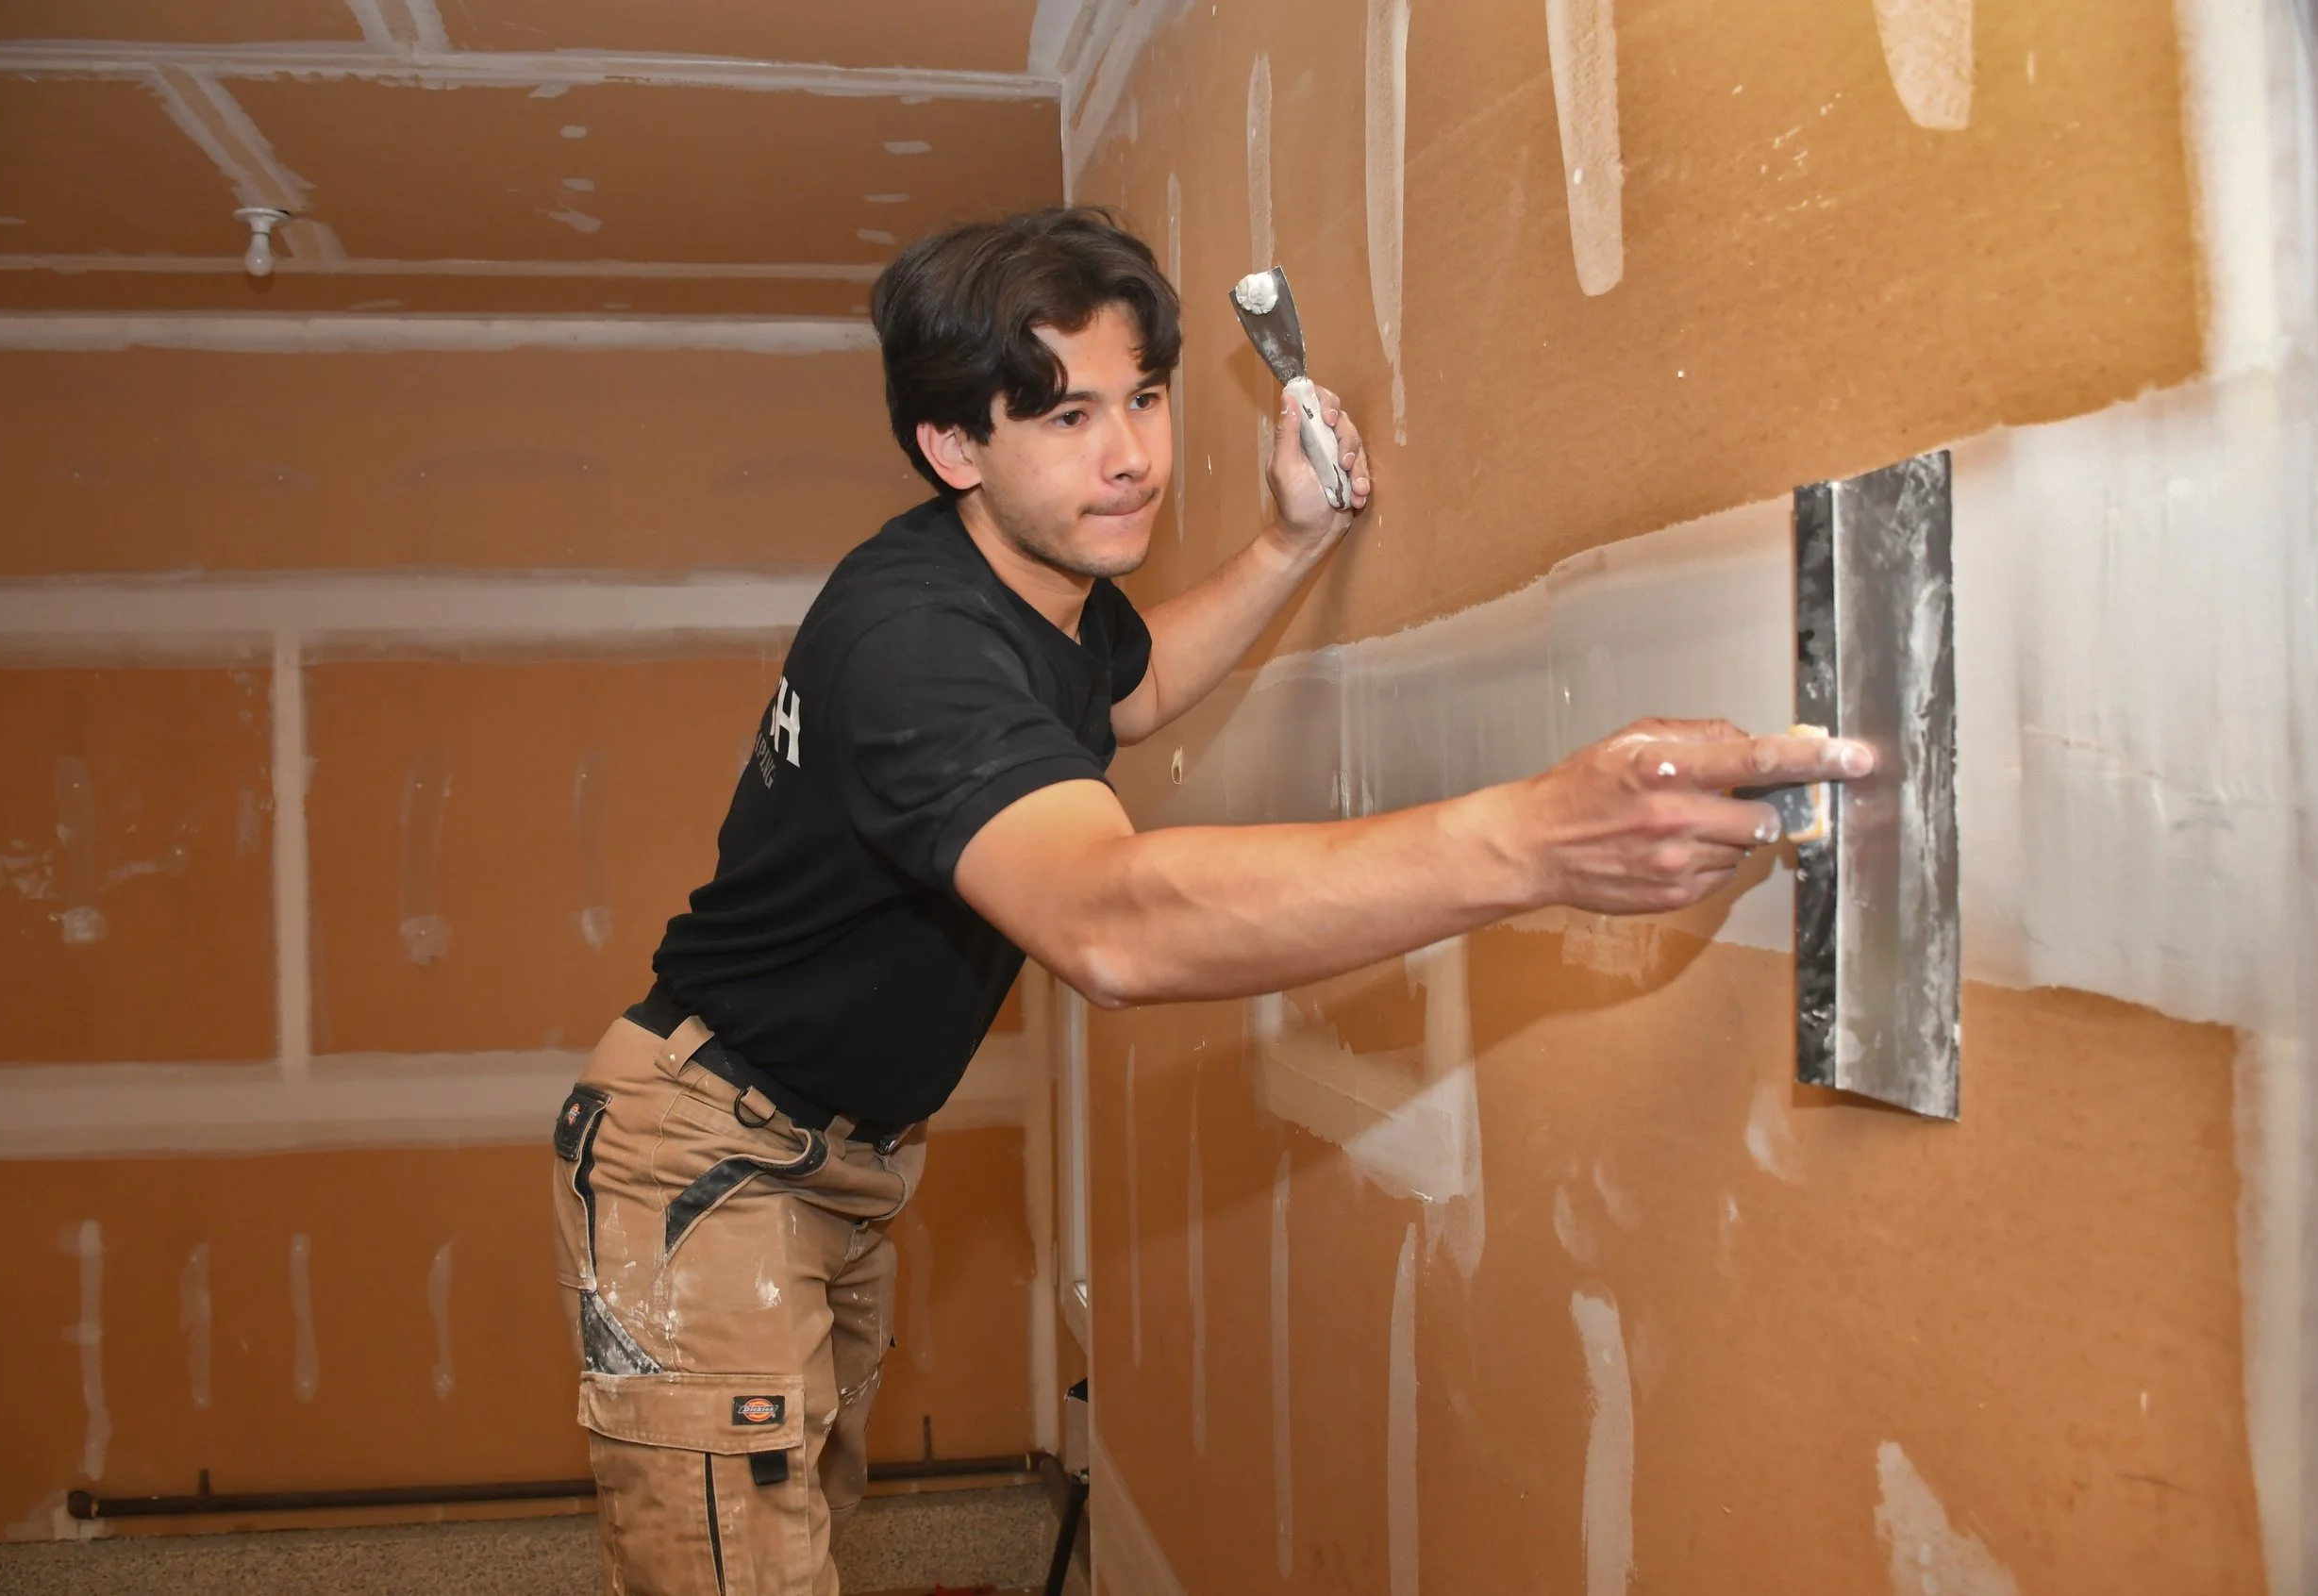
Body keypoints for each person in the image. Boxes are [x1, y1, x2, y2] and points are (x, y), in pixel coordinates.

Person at [549, 207, 1870, 1593]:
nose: (1130, 459)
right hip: (705, 1154)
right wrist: (1535, 842)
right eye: (1064, 417)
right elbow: (1111, 925)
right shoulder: (915, 646)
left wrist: (1289, 545)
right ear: (954, 447)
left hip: (836, 1158)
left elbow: (1127, 688)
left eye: (1147, 398)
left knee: (797, 1515)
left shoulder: (1037, 590)